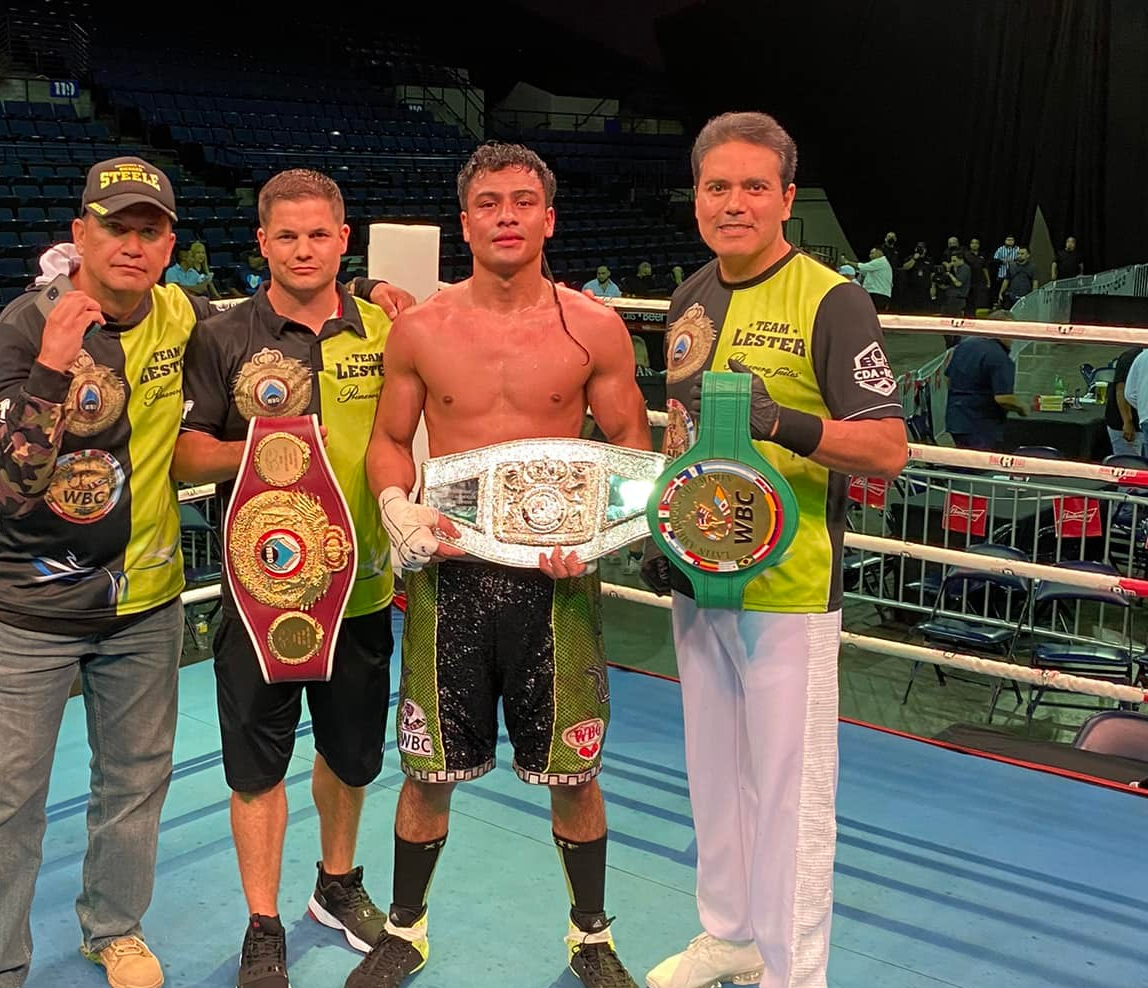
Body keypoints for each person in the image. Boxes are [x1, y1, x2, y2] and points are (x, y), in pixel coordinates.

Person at [0, 155, 411, 988]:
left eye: (148, 230)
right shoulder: (27, 325)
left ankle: (114, 927)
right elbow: (2, 490)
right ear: (79, 233)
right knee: (5, 802)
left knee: (134, 785)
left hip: (146, 601)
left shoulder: (185, 316)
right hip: (31, 607)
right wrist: (54, 367)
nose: (131, 245)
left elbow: (295, 286)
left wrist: (374, 286)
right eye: (114, 228)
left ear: (170, 245)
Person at [346, 142, 653, 988]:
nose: (507, 216)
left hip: (560, 580)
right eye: (490, 202)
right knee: (428, 768)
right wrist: (397, 507)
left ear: (549, 219)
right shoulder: (421, 327)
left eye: (524, 201)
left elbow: (630, 445)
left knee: (572, 770)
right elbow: (385, 441)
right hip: (448, 574)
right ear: (466, 220)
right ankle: (405, 929)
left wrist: (597, 538)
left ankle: (591, 936)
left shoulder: (594, 325)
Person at [639, 112, 908, 988]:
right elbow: (679, 434)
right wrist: (664, 528)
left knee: (791, 798)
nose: (735, 202)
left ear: (787, 198)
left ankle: (796, 975)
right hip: (700, 577)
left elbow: (887, 448)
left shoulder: (832, 298)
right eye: (718, 186)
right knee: (714, 776)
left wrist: (781, 422)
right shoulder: (689, 296)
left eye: (756, 186)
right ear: (697, 199)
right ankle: (729, 934)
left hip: (789, 590)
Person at [174, 168, 401, 988]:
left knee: (351, 756)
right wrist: (272, 456)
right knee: (255, 765)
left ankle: (335, 886)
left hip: (362, 587)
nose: (304, 249)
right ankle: (262, 920)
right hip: (258, 593)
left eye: (319, 234)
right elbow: (184, 453)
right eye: (287, 235)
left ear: (345, 241)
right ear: (262, 243)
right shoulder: (225, 333)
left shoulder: (386, 329)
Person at [943, 333, 1028, 451]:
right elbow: (1003, 398)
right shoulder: (998, 357)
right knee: (979, 464)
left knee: (964, 462)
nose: (1013, 341)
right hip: (981, 425)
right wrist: (1022, 407)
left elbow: (948, 379)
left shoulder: (964, 346)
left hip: (956, 421)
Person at [1104, 347, 1141, 457]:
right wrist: (1127, 421)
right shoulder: (1129, 358)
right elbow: (1121, 390)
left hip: (1141, 420)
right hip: (1124, 422)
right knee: (1129, 463)